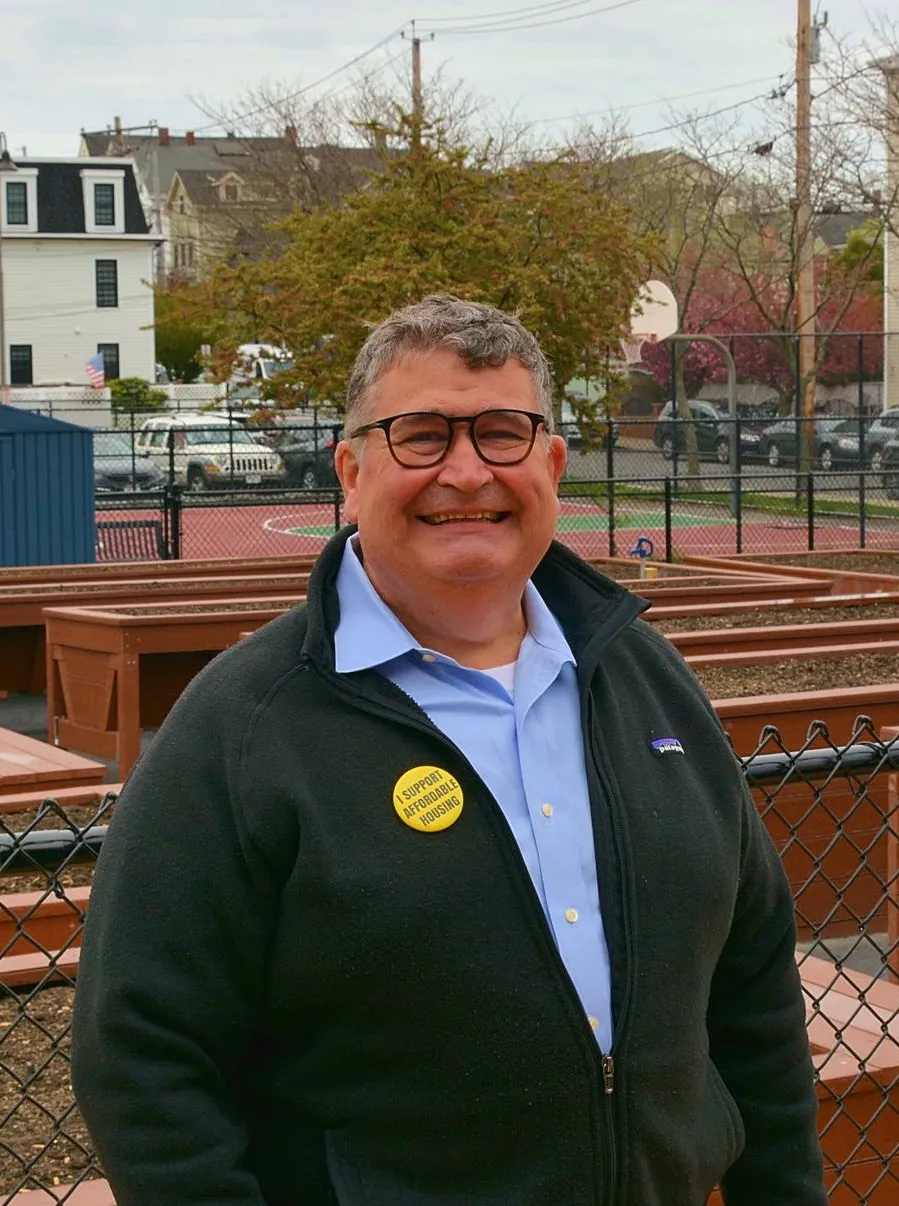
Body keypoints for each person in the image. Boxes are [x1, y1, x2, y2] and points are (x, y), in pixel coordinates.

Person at [71, 295, 827, 1206]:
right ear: (350, 472)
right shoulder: (240, 727)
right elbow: (145, 1058)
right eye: (420, 435)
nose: (466, 472)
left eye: (502, 433)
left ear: (551, 464)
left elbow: (751, 985)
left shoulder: (645, 677)